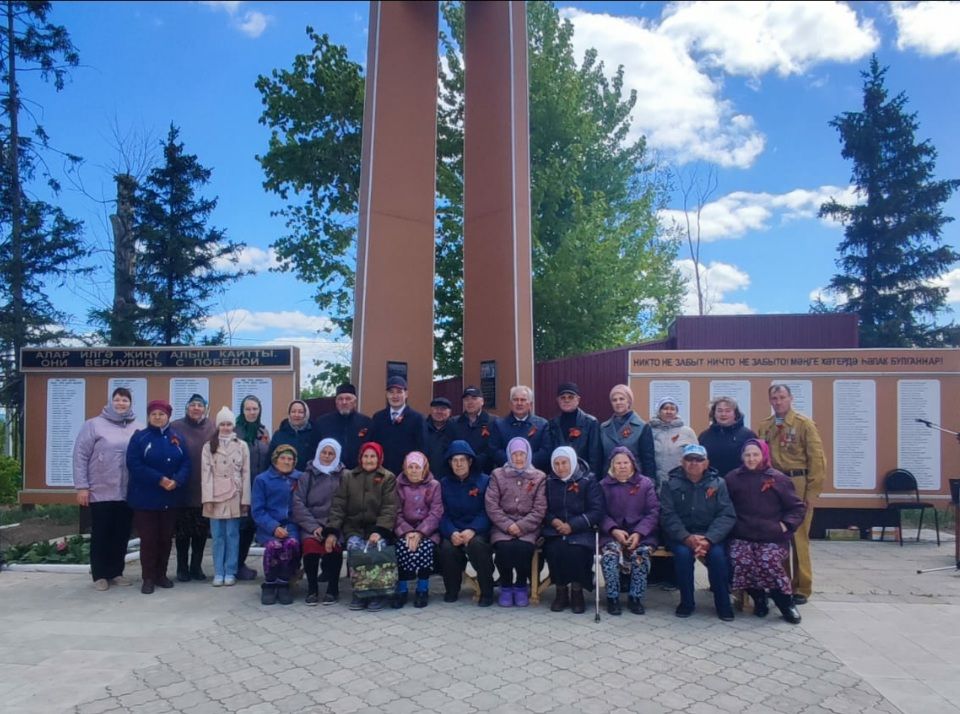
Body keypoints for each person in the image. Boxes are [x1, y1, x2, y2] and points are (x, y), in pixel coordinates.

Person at [758, 383, 826, 605]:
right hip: (773, 483)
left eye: (782, 397)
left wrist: (812, 492)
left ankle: (802, 587)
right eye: (774, 398)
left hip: (798, 482)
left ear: (790, 398)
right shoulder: (765, 426)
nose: (778, 402)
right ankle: (781, 582)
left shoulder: (804, 424)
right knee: (777, 536)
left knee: (798, 536)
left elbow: (817, 459)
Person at [725, 438, 806, 624]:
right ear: (742, 457)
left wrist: (785, 525)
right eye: (747, 455)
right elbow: (724, 506)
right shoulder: (733, 478)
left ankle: (785, 601)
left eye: (755, 455)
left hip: (772, 536)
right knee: (740, 560)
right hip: (743, 534)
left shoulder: (778, 479)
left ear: (763, 455)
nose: (751, 459)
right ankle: (758, 597)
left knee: (766, 560)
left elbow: (796, 508)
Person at [73, 387, 143, 591]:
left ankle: (116, 572)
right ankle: (100, 575)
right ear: (111, 401)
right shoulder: (93, 425)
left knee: (121, 533)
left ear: (130, 403)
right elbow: (80, 456)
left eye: (125, 400)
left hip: (127, 491)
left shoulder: (137, 427)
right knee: (102, 532)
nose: (121, 403)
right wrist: (82, 487)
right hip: (101, 489)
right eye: (118, 399)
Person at [660, 444, 737, 620]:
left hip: (710, 535)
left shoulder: (719, 483)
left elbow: (726, 515)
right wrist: (686, 537)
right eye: (689, 459)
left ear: (706, 463)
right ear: (682, 462)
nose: (694, 463)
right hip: (681, 535)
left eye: (698, 459)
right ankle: (687, 602)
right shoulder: (669, 484)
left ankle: (723, 604)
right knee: (683, 556)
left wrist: (709, 539)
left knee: (718, 557)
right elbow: (667, 515)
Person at [324, 441, 398, 612]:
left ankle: (376, 593)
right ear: (360, 457)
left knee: (375, 551)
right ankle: (359, 592)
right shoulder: (348, 476)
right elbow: (339, 505)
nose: (369, 460)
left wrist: (379, 531)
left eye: (373, 456)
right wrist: (333, 531)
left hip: (378, 528)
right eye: (366, 456)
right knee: (355, 548)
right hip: (354, 528)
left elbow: (389, 507)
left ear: (379, 458)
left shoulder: (388, 477)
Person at [126, 399, 189, 595]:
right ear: (149, 416)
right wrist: (159, 479)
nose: (158, 417)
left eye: (161, 414)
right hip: (146, 498)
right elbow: (134, 465)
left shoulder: (177, 437)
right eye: (154, 414)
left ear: (168, 417)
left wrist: (177, 480)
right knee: (149, 539)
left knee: (165, 538)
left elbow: (186, 462)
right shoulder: (140, 438)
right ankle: (148, 577)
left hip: (170, 497)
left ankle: (161, 574)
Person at [485, 437, 547, 607]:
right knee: (504, 548)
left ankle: (520, 585)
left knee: (523, 548)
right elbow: (491, 505)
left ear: (528, 455)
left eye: (522, 454)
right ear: (508, 456)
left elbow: (540, 508)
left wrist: (521, 526)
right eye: (515, 455)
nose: (518, 458)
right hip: (502, 525)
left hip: (528, 526)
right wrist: (507, 525)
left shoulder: (539, 477)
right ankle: (506, 585)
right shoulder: (498, 475)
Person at [542, 446, 604, 614]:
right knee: (555, 550)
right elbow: (543, 508)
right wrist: (554, 521)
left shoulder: (588, 480)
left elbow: (596, 511)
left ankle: (577, 592)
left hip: (581, 530)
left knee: (577, 551)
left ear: (573, 462)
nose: (561, 467)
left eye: (564, 463)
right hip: (555, 529)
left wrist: (573, 525)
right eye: (557, 464)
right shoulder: (548, 482)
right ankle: (561, 592)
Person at [599, 446, 659, 615]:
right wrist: (613, 530)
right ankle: (612, 598)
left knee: (640, 556)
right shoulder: (603, 485)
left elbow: (653, 512)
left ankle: (636, 597)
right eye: (618, 463)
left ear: (633, 464)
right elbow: (600, 513)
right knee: (610, 557)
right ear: (612, 466)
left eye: (626, 462)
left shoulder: (645, 484)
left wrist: (639, 532)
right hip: (612, 534)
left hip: (641, 535)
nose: (623, 466)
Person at [438, 440, 495, 606]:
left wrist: (473, 529)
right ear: (450, 463)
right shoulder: (444, 484)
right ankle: (452, 590)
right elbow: (442, 513)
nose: (458, 464)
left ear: (470, 461)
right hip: (454, 528)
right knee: (447, 548)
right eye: (454, 461)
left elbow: (488, 510)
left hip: (478, 530)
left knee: (478, 545)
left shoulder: (485, 481)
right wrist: (452, 532)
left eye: (462, 460)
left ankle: (487, 591)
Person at [292, 438, 346, 606]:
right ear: (318, 452)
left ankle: (332, 588)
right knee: (311, 548)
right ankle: (312, 588)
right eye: (324, 452)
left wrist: (332, 529)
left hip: (335, 523)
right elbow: (297, 502)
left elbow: (346, 503)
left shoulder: (344, 475)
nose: (327, 456)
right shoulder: (307, 475)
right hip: (312, 522)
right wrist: (313, 526)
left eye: (331, 453)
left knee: (333, 549)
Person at [200, 406, 251, 587]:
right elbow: (205, 474)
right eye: (223, 424)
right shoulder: (208, 446)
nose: (226, 427)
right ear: (217, 425)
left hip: (235, 495)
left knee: (232, 534)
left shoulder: (242, 445)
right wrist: (207, 499)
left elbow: (246, 473)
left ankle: (230, 571)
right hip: (215, 495)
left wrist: (246, 500)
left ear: (233, 425)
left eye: (229, 424)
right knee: (218, 536)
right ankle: (218, 571)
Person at [171, 393, 216, 582]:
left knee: (200, 532)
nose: (196, 408)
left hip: (204, 488)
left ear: (206, 408)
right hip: (181, 487)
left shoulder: (213, 427)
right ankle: (182, 568)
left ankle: (196, 567)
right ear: (187, 408)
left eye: (200, 405)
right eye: (193, 405)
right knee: (182, 533)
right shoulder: (175, 427)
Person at [251, 444, 302, 606]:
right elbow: (257, 510)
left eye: (290, 459)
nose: (286, 462)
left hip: (292, 525)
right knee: (274, 547)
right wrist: (273, 527)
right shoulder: (262, 479)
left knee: (291, 544)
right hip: (269, 527)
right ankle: (270, 583)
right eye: (283, 458)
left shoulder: (300, 478)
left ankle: (284, 583)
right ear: (275, 460)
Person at [392, 451, 444, 609]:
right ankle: (402, 589)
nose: (414, 470)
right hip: (404, 529)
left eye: (417, 467)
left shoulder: (434, 485)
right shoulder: (398, 485)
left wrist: (420, 532)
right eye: (411, 467)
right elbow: (395, 512)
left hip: (427, 531)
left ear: (424, 469)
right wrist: (408, 532)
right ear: (405, 469)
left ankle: (422, 588)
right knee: (402, 547)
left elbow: (436, 512)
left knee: (425, 547)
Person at [234, 395, 271, 580]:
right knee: (238, 528)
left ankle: (240, 564)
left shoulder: (263, 432)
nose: (251, 412)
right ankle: (233, 565)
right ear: (242, 410)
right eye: (248, 409)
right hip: (238, 488)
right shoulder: (234, 431)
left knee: (249, 527)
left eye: (255, 409)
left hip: (258, 487)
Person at [369, 376, 426, 477]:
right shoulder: (378, 417)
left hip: (407, 475)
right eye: (391, 392)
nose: (395, 396)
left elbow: (421, 448)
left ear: (406, 394)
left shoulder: (417, 418)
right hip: (381, 474)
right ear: (387, 395)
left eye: (399, 392)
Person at [600, 384, 656, 480]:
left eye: (622, 399)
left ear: (629, 401)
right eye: (614, 400)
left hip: (634, 482)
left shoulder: (642, 427)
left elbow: (648, 460)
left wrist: (650, 484)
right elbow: (600, 458)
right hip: (609, 482)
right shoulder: (604, 428)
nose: (618, 402)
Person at [546, 382, 603, 477]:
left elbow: (595, 457)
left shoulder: (590, 423)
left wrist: (591, 480)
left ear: (578, 399)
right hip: (559, 477)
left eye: (570, 397)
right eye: (563, 397)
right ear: (558, 400)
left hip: (583, 477)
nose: (566, 400)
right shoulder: (552, 424)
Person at [489, 385, 550, 471]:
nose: (519, 403)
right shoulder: (499, 425)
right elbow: (494, 449)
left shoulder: (542, 425)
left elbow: (545, 451)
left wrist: (527, 464)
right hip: (507, 473)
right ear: (510, 404)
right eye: (515, 399)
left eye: (523, 400)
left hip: (534, 474)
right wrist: (512, 463)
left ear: (530, 404)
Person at [314, 384, 373, 470]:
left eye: (348, 399)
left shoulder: (366, 423)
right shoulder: (322, 422)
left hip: (359, 474)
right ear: (336, 402)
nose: (344, 402)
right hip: (330, 474)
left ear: (355, 402)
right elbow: (315, 451)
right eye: (340, 399)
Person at [697, 396, 757, 480]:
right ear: (714, 413)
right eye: (719, 410)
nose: (723, 414)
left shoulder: (747, 435)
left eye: (728, 411)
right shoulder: (704, 436)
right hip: (712, 484)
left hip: (741, 483)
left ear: (735, 413)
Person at [649, 396, 698, 490]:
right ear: (659, 411)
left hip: (681, 483)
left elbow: (697, 458)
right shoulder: (649, 431)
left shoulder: (687, 432)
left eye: (672, 409)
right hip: (655, 484)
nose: (669, 412)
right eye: (665, 408)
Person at [452, 386, 494, 475]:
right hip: (459, 474)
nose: (470, 402)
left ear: (482, 401)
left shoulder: (493, 422)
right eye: (466, 399)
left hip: (485, 473)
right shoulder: (454, 422)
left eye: (474, 398)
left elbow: (493, 448)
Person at [269, 399, 320, 472]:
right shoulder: (279, 434)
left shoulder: (314, 434)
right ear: (289, 414)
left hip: (307, 478)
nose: (296, 415)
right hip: (282, 478)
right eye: (293, 411)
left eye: (300, 412)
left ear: (306, 414)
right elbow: (270, 459)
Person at [423, 397, 457, 478]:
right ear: (431, 410)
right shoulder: (421, 428)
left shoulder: (456, 429)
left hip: (449, 478)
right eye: (436, 408)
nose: (439, 412)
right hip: (425, 478)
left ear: (450, 412)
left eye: (443, 409)